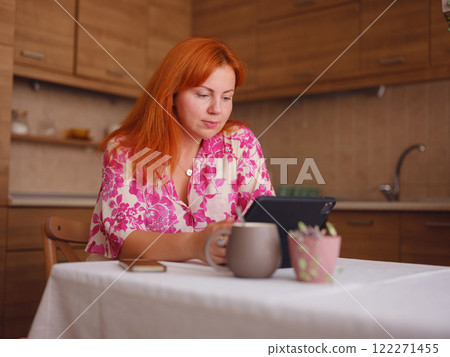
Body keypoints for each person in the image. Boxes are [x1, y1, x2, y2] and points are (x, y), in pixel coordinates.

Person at [86, 37, 275, 265]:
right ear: (171, 94)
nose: (217, 109)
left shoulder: (239, 143)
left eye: (226, 97)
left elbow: (267, 222)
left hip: (209, 288)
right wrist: (195, 244)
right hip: (135, 285)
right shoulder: (126, 149)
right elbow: (125, 242)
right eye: (203, 95)